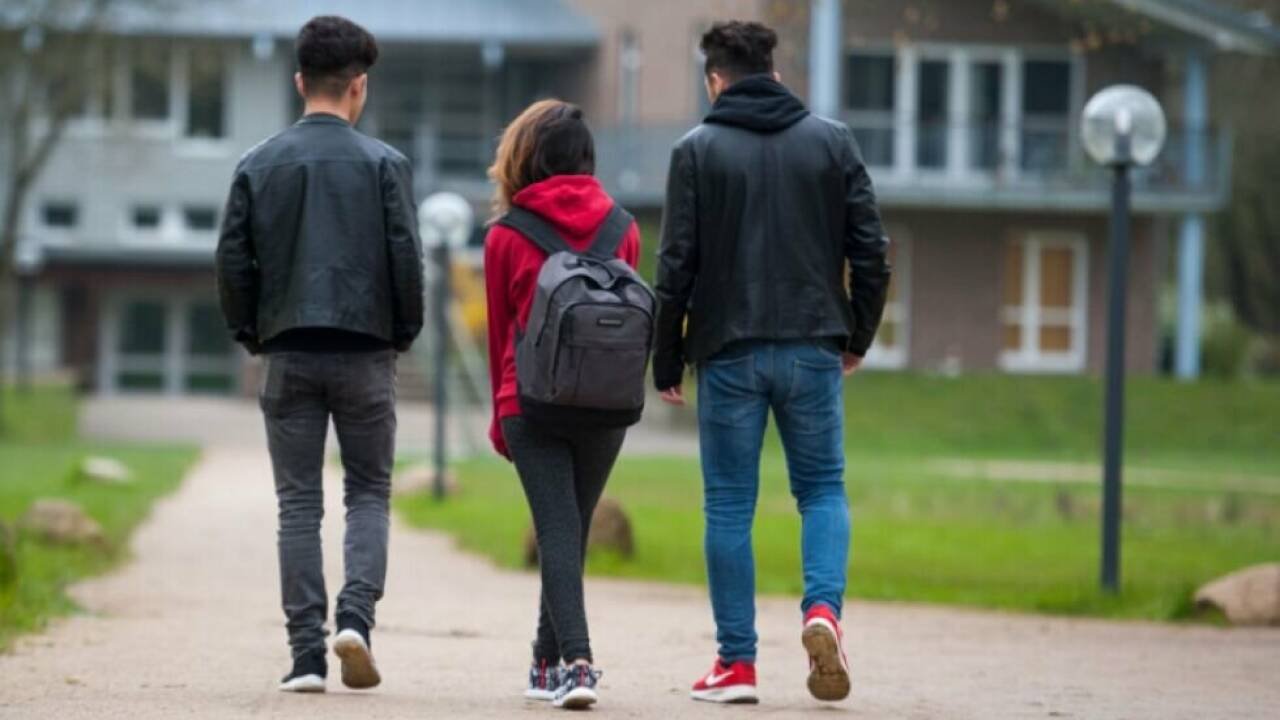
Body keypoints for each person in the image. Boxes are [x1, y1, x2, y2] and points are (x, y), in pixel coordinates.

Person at [653, 21, 892, 705]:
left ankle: (736, 665)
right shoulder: (832, 141)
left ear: (715, 81)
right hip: (814, 346)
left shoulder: (695, 151)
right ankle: (823, 611)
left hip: (728, 352)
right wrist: (857, 336)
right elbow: (872, 252)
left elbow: (675, 265)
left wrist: (665, 358)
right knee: (821, 490)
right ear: (776, 74)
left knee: (730, 504)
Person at [215, 15, 424, 694]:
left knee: (298, 504)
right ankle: (355, 619)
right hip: (366, 351)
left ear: (300, 81)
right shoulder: (386, 165)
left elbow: (232, 261)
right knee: (369, 492)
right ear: (358, 86)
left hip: (288, 349)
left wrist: (252, 332)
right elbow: (406, 259)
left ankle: (306, 655)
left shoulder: (257, 164)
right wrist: (403, 331)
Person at [483, 100, 642, 710]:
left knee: (558, 528)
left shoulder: (505, 235)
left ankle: (576, 662)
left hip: (532, 403)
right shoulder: (624, 228)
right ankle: (543, 662)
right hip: (607, 403)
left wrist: (501, 418)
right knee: (568, 529)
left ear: (524, 158)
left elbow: (502, 336)